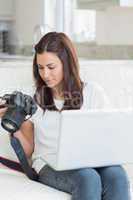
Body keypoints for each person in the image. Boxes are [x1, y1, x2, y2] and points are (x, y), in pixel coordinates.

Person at [0, 32, 130, 200]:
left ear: (67, 64)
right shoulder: (32, 98)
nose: (45, 74)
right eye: (40, 67)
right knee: (87, 178)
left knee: (117, 176)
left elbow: (111, 137)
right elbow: (28, 151)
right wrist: (14, 127)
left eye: (51, 67)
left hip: (91, 161)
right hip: (49, 164)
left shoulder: (92, 92)